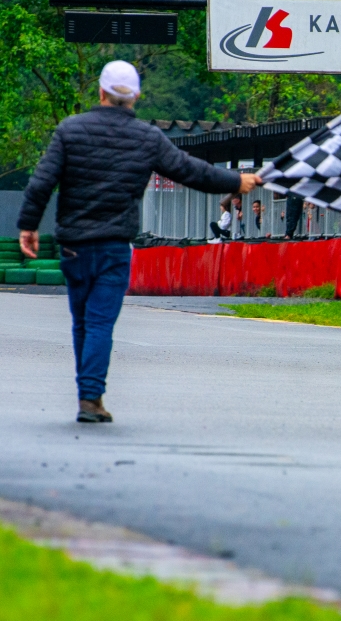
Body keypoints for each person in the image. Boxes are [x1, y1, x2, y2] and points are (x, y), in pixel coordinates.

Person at [16, 60, 260, 423]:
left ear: (100, 92)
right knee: (100, 322)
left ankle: (89, 395)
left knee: (82, 321)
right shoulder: (147, 138)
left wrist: (28, 227)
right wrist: (235, 182)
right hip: (114, 245)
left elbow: (40, 183)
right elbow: (190, 171)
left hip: (74, 246)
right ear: (136, 97)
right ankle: (90, 398)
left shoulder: (70, 130)